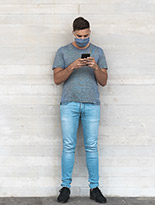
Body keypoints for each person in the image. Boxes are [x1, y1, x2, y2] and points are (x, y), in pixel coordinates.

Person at [52, 17, 108, 204]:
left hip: (92, 104)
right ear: (73, 33)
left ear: (90, 32)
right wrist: (72, 66)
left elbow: (103, 81)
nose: (83, 38)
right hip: (69, 104)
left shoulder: (98, 52)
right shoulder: (63, 51)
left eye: (86, 35)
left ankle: (94, 188)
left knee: (91, 147)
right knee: (68, 146)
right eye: (79, 35)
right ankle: (65, 187)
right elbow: (57, 79)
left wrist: (95, 67)